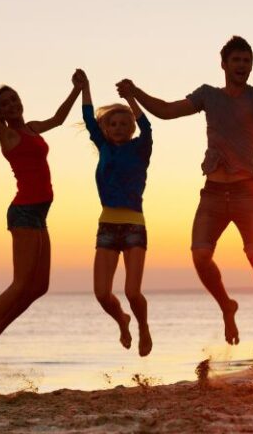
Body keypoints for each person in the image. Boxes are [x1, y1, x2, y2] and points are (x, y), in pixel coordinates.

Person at [117, 35, 253, 345]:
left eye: (247, 61)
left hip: (246, 192)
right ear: (223, 64)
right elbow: (168, 111)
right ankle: (227, 306)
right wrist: (136, 93)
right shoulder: (208, 96)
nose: (242, 66)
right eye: (236, 60)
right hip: (212, 193)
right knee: (200, 256)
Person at [0, 43, 83, 376]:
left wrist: (77, 89)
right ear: (1, 112)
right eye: (5, 103)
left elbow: (58, 118)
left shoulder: (32, 128)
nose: (11, 105)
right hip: (24, 212)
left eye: (14, 99)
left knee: (39, 287)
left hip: (39, 215)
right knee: (20, 284)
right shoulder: (7, 134)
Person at [79, 71, 153, 356]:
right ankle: (123, 321)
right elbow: (88, 119)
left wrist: (131, 98)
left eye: (125, 123)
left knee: (133, 292)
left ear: (131, 127)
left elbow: (147, 126)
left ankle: (143, 327)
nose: (120, 127)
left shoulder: (141, 148)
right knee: (101, 294)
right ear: (107, 129)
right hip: (107, 225)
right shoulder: (104, 147)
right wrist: (85, 87)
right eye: (114, 123)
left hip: (134, 225)